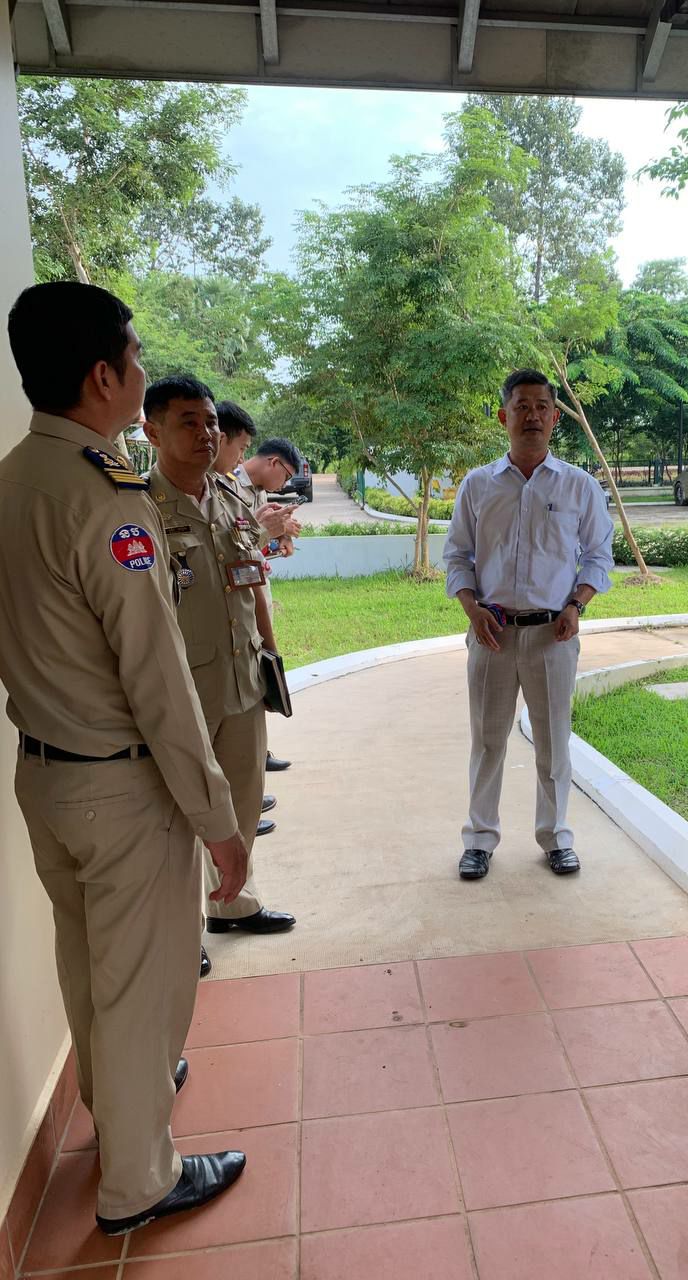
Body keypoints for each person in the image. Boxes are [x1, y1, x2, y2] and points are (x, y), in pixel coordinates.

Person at [0, 282, 247, 1235]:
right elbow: (159, 680)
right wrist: (219, 820)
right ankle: (141, 1180)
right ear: (102, 377)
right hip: (121, 784)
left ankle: (119, 1112)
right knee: (145, 985)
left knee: (87, 966)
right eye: (135, 358)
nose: (142, 371)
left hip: (45, 774)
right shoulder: (108, 499)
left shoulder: (15, 479)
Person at [143, 377, 296, 946]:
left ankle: (234, 903)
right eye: (188, 422)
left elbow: (252, 581)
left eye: (210, 421)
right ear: (152, 432)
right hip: (181, 689)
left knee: (244, 798)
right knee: (183, 813)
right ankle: (187, 930)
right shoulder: (139, 506)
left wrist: (271, 654)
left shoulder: (232, 498)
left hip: (242, 679)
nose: (206, 433)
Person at [444, 368, 614, 880]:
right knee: (487, 742)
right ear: (504, 416)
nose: (533, 415)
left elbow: (599, 556)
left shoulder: (579, 486)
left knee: (553, 743)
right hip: (491, 634)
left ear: (555, 418)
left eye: (543, 407)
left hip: (552, 636)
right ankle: (479, 839)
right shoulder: (478, 485)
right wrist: (471, 609)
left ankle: (556, 836)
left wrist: (577, 605)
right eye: (522, 406)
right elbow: (457, 556)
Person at [213, 408, 301, 789]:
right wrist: (265, 532)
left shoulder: (255, 492)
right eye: (241, 447)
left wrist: (283, 535)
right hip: (231, 608)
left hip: (252, 595)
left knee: (254, 681)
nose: (240, 455)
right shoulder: (226, 486)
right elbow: (232, 551)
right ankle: (244, 782)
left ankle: (254, 765)